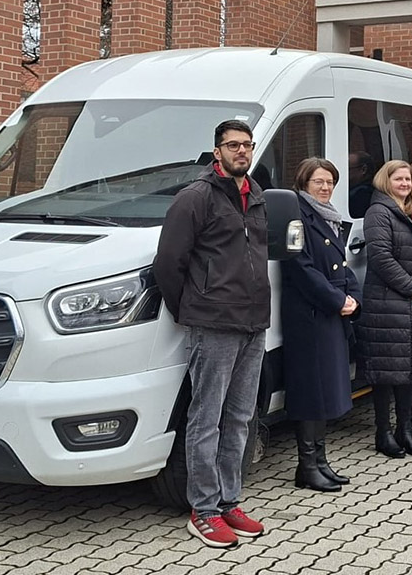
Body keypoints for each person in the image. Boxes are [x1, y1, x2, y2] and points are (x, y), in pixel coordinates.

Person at [153, 119, 267, 548]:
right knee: (206, 419)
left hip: (253, 323)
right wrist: (190, 310)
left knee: (239, 418)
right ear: (216, 151)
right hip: (213, 324)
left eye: (247, 144)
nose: (241, 151)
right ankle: (203, 511)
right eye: (233, 145)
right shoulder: (195, 197)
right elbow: (169, 264)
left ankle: (228, 500)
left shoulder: (254, 194)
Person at [280, 158, 362, 493]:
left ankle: (321, 462)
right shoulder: (296, 217)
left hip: (330, 314)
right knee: (312, 392)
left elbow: (342, 266)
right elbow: (300, 268)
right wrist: (335, 300)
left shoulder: (327, 216)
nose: (326, 187)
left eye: (330, 181)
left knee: (326, 390)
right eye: (318, 182)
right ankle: (307, 465)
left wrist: (353, 297)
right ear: (303, 183)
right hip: (310, 316)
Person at [355, 160, 412, 459]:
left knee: (410, 371)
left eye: (408, 179)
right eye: (399, 179)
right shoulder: (378, 212)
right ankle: (383, 433)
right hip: (387, 304)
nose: (405, 184)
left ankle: (404, 430)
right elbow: (381, 259)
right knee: (385, 374)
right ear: (386, 181)